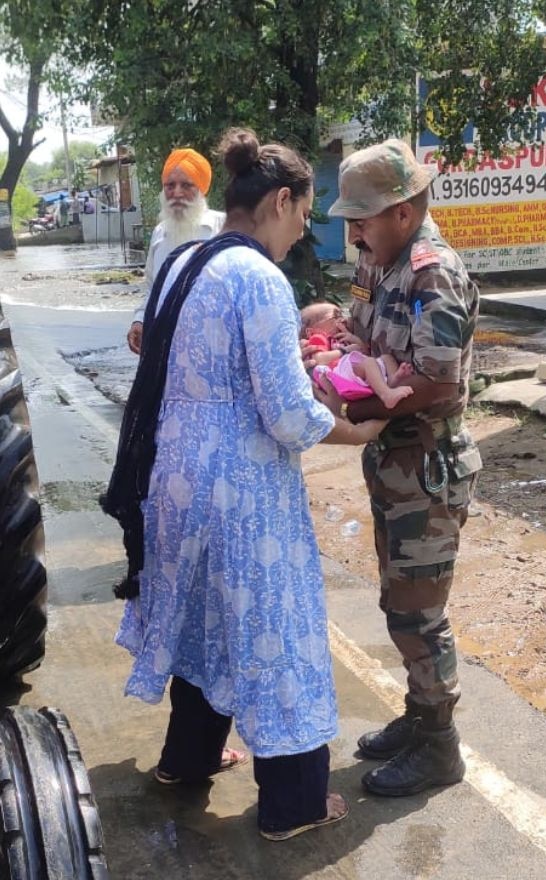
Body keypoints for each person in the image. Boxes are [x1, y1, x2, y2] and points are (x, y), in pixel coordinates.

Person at [101, 127, 388, 840]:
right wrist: (356, 428)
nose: (303, 232)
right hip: (241, 490)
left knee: (204, 622)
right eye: (302, 215)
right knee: (275, 629)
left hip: (175, 473)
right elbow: (288, 413)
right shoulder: (259, 276)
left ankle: (187, 759)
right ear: (281, 201)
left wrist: (297, 344)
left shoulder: (182, 263)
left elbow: (201, 363)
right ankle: (293, 805)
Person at [314, 138, 483, 798]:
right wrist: (337, 352)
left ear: (403, 214)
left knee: (420, 616)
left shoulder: (431, 273)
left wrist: (364, 407)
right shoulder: (373, 262)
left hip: (427, 467)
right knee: (399, 602)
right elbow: (359, 327)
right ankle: (420, 717)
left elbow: (437, 381)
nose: (352, 231)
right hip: (394, 464)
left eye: (362, 218)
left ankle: (441, 747)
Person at [127, 148, 226, 354]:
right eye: (170, 186)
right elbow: (152, 288)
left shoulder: (223, 227)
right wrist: (139, 320)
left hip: (213, 346)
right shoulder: (159, 234)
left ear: (201, 189)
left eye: (186, 185)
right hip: (165, 347)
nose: (177, 193)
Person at [300, 302, 415, 409]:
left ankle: (392, 381)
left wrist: (353, 339)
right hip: (336, 375)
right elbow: (318, 359)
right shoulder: (318, 338)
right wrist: (344, 350)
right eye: (335, 317)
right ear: (311, 331)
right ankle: (386, 394)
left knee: (387, 357)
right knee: (369, 362)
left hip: (352, 370)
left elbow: (363, 352)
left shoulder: (341, 338)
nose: (343, 319)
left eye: (342, 314)